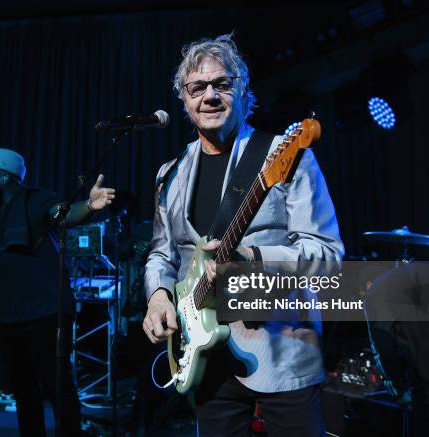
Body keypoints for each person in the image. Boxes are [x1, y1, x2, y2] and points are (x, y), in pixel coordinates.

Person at [143, 34, 344, 437]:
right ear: (185, 100)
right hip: (205, 357)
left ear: (244, 90)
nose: (210, 96)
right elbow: (161, 255)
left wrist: (253, 259)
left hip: (282, 346)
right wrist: (157, 296)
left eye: (223, 84)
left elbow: (326, 254)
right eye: (197, 87)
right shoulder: (169, 174)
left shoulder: (286, 155)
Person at [0, 148, 115, 436]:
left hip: (48, 311)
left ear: (4, 177)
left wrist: (89, 204)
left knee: (56, 385)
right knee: (24, 391)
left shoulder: (35, 199)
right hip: (11, 315)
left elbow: (63, 215)